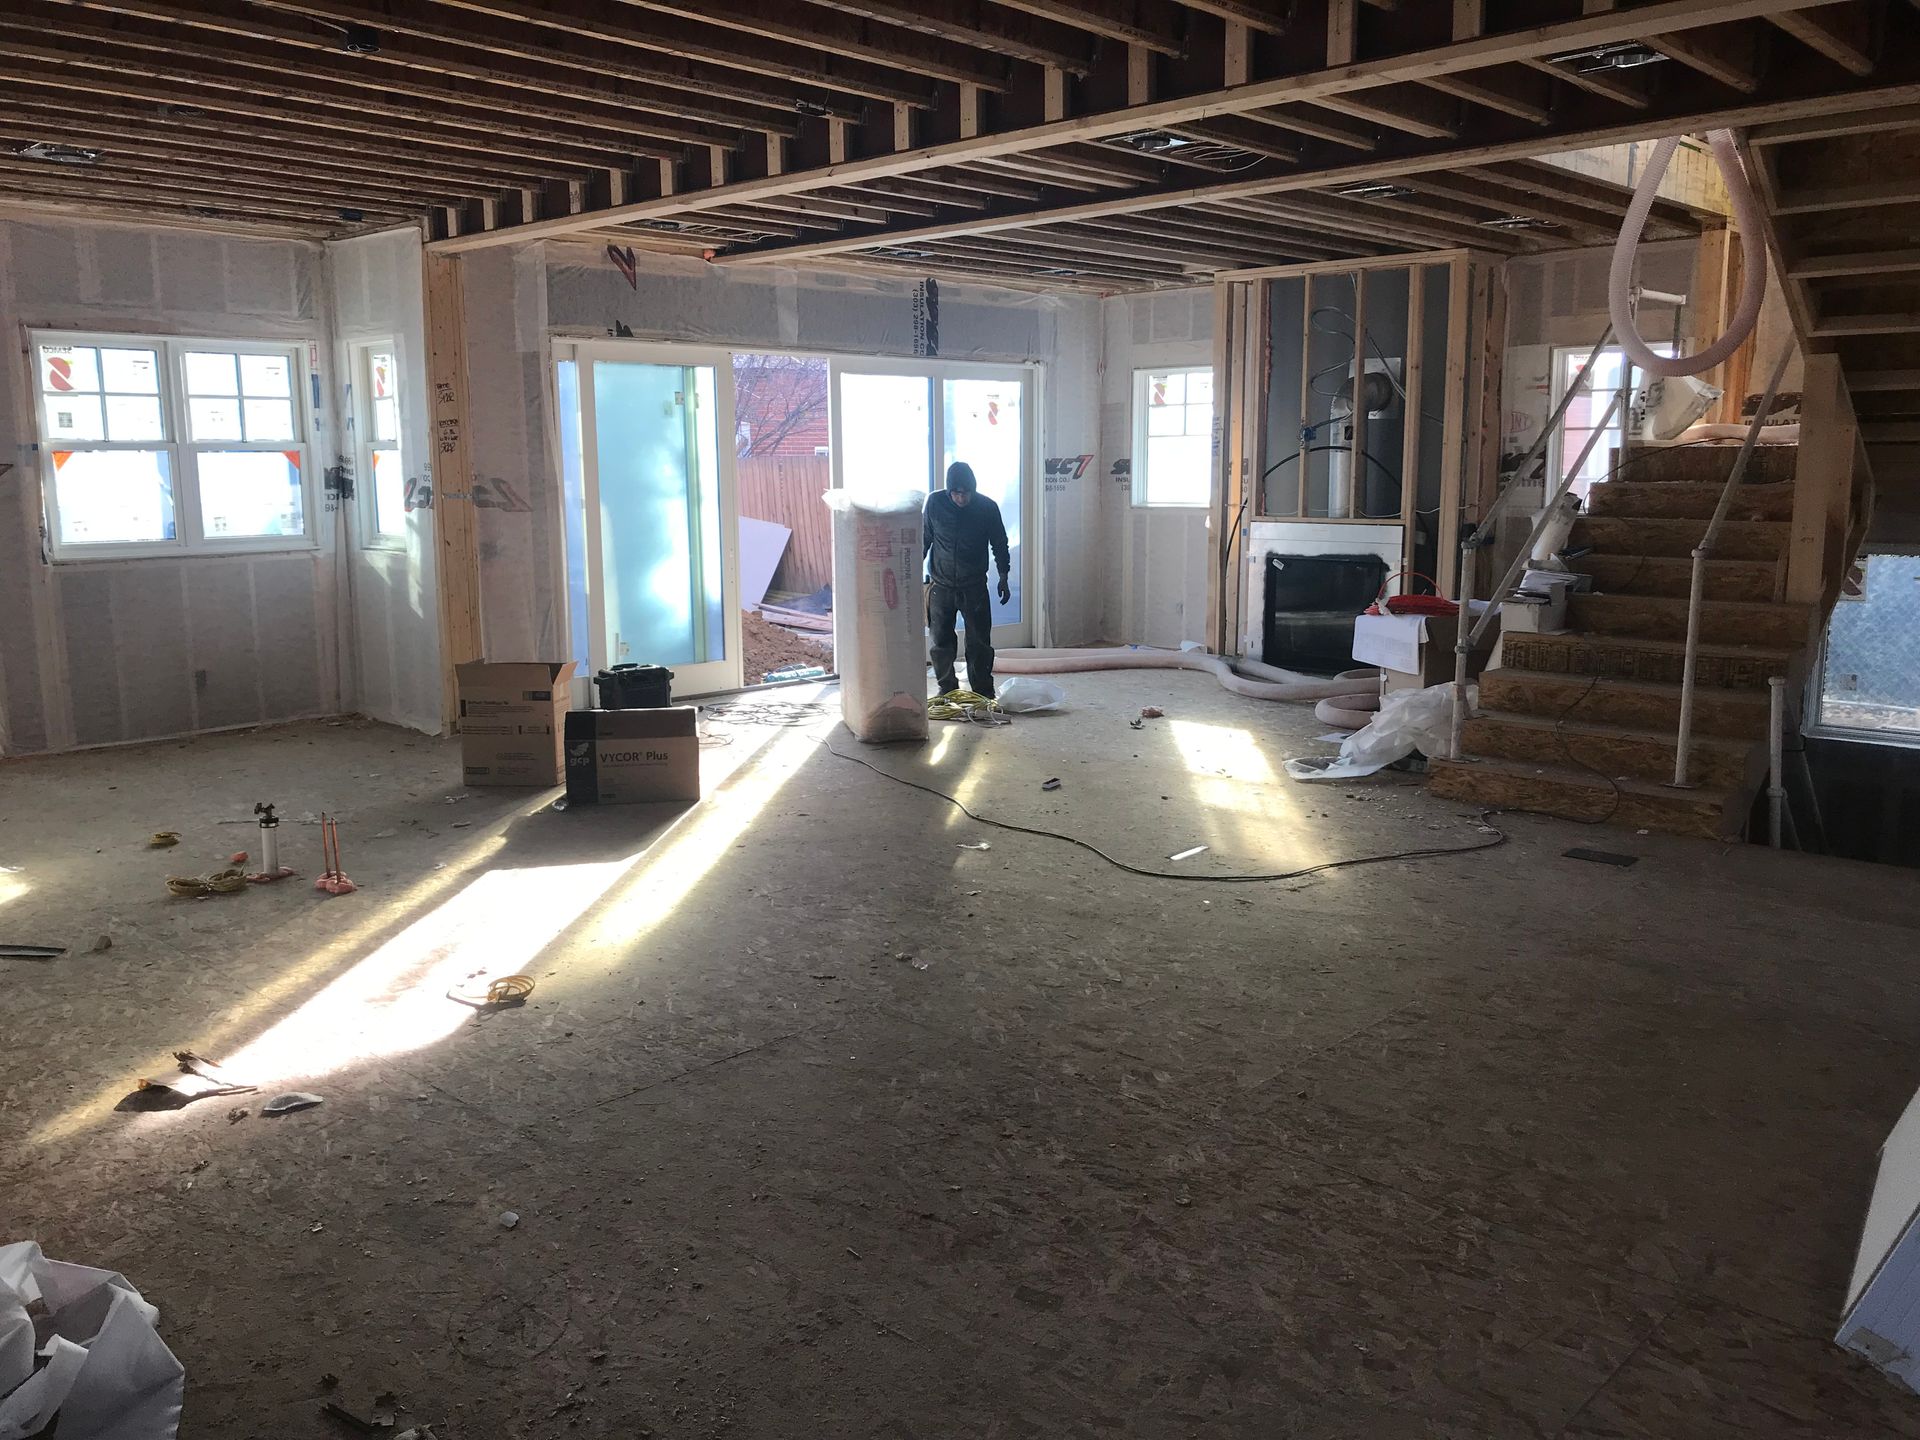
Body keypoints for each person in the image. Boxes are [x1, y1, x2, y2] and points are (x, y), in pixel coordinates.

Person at [923, 461, 1010, 700]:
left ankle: (982, 691)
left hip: (974, 587)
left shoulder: (986, 508)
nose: (962, 498)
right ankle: (947, 688)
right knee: (941, 641)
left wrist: (1004, 576)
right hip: (940, 586)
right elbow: (924, 539)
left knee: (979, 642)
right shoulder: (934, 503)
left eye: (966, 493)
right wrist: (908, 578)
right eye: (957, 493)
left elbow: (1000, 543)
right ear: (949, 491)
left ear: (973, 490)